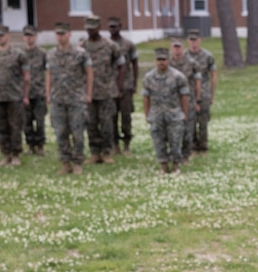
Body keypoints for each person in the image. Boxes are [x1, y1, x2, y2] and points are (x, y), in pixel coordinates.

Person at [46, 21, 93, 175]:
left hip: (76, 99)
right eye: (58, 34)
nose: (60, 37)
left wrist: (88, 93)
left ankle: (78, 162)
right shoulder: (51, 54)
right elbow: (49, 74)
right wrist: (48, 93)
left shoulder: (80, 53)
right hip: (58, 99)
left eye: (63, 34)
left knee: (78, 133)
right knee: (60, 133)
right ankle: (65, 163)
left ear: (69, 34)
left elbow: (89, 73)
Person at [79, 16, 125, 164]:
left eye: (92, 28)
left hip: (106, 91)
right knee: (91, 123)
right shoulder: (82, 47)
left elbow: (122, 65)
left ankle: (106, 151)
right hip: (89, 93)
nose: (90, 31)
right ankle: (94, 152)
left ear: (98, 28)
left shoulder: (110, 46)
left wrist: (118, 86)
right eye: (88, 28)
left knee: (107, 123)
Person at [142, 47, 190, 174]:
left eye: (163, 59)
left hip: (174, 114)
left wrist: (184, 113)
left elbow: (184, 96)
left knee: (175, 142)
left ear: (168, 60)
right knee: (158, 142)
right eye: (159, 60)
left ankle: (175, 166)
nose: (161, 62)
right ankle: (163, 166)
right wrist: (147, 114)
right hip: (156, 115)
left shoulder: (178, 77)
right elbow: (146, 97)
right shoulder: (149, 77)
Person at [0, 24, 30, 167]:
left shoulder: (18, 55)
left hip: (14, 96)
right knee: (1, 127)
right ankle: (6, 154)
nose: (0, 38)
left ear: (8, 36)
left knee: (16, 127)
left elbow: (26, 77)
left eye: (2, 35)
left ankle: (16, 154)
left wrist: (25, 95)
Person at [108, 17, 139, 156]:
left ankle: (127, 145)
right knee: (111, 117)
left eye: (115, 26)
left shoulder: (128, 44)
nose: (113, 29)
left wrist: (134, 83)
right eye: (110, 27)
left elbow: (135, 64)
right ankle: (115, 145)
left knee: (126, 116)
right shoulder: (106, 45)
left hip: (126, 86)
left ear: (120, 26)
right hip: (109, 86)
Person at [168, 38, 201, 163]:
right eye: (174, 47)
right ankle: (173, 154)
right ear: (171, 48)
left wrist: (197, 101)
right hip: (172, 102)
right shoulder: (168, 63)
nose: (177, 49)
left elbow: (197, 82)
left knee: (188, 130)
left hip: (189, 101)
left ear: (183, 47)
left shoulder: (192, 63)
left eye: (179, 47)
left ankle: (185, 155)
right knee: (172, 130)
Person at [185, 30, 217, 157]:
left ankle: (203, 147)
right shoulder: (183, 57)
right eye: (191, 40)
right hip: (188, 93)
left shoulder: (208, 56)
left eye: (196, 40)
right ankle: (192, 146)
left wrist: (211, 94)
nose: (194, 43)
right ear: (188, 41)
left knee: (203, 121)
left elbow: (213, 76)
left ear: (200, 40)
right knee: (190, 121)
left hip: (204, 92)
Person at [21, 25, 48, 156]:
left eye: (31, 36)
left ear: (36, 37)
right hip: (24, 93)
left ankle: (41, 145)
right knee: (26, 122)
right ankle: (31, 146)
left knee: (40, 121)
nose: (29, 39)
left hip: (39, 92)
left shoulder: (43, 54)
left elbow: (48, 72)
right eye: (27, 36)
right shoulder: (20, 54)